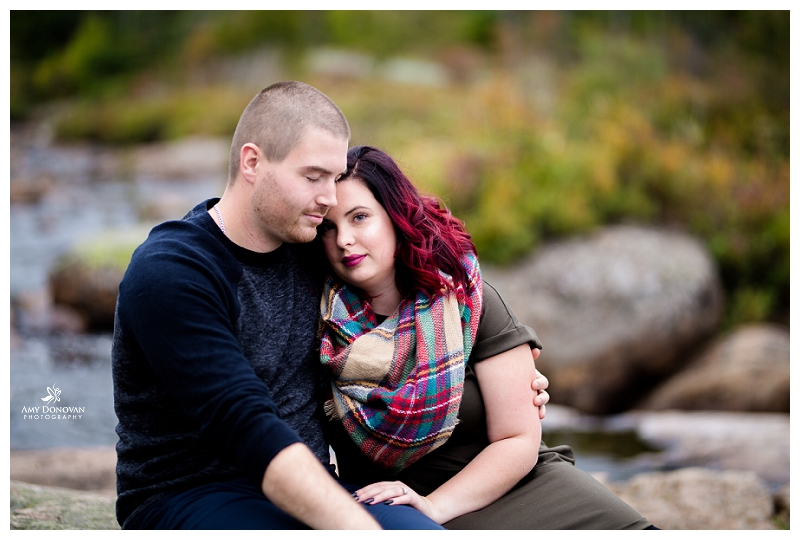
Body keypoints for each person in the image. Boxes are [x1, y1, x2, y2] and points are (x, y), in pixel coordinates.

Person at [111, 81, 451, 529]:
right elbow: (241, 422)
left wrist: (505, 358)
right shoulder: (173, 271)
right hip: (188, 494)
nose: (330, 197)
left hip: (311, 484)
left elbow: (410, 287)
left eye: (334, 177)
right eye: (313, 177)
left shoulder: (309, 246)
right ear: (252, 162)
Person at [315, 145, 656, 529]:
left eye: (359, 217)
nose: (344, 239)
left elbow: (518, 438)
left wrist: (434, 505)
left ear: (395, 217)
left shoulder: (463, 299)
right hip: (399, 512)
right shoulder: (315, 325)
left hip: (514, 487)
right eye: (328, 227)